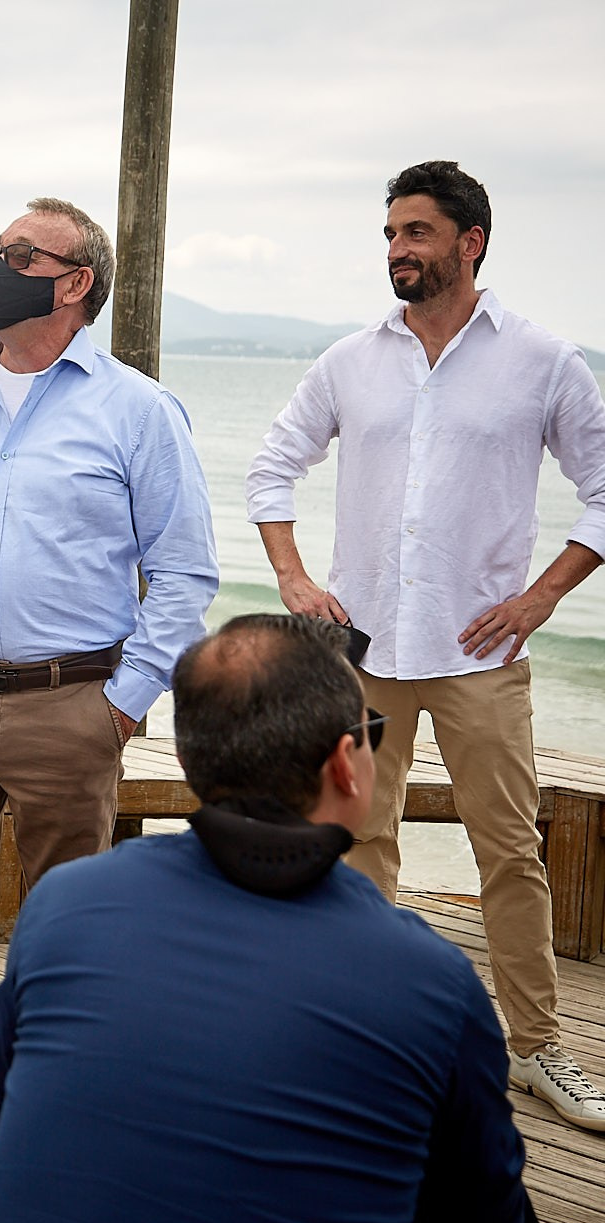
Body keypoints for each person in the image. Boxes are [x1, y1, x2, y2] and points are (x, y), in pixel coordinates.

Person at [0, 614, 550, 1223]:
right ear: (345, 763)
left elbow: (5, 1091)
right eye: (372, 733)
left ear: (191, 758)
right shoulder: (427, 979)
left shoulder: (63, 904)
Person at [247, 160, 605, 1134]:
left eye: (414, 233)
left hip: (478, 661)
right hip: (361, 654)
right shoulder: (347, 362)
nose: (396, 251)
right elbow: (270, 465)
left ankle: (535, 1050)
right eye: (389, 235)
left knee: (508, 853)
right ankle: (361, 1036)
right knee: (359, 841)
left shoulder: (540, 360)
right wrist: (289, 577)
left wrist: (537, 598)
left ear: (467, 242)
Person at [0, 196, 218, 1059]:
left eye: (22, 253)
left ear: (75, 283)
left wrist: (125, 701)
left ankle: (51, 1086)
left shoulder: (139, 411)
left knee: (67, 924)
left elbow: (184, 574)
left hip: (71, 706)